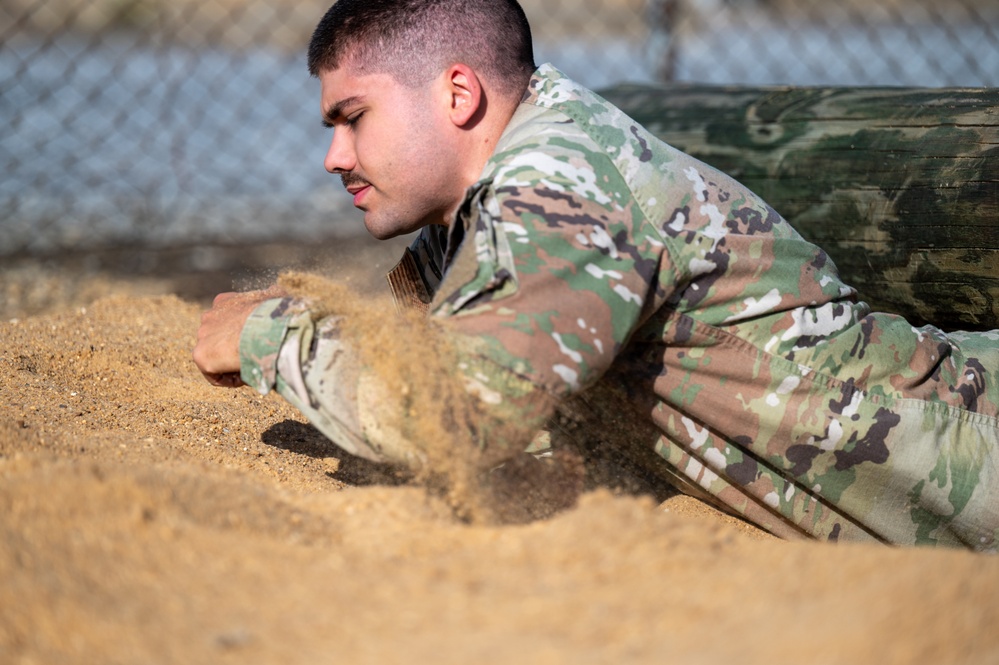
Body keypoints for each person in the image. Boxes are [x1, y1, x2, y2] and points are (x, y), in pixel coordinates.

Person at [193, 0, 999, 550]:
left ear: (458, 93)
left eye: (353, 118)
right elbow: (432, 334)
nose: (333, 156)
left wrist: (268, 336)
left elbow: (458, 415)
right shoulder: (486, 198)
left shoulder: (559, 190)